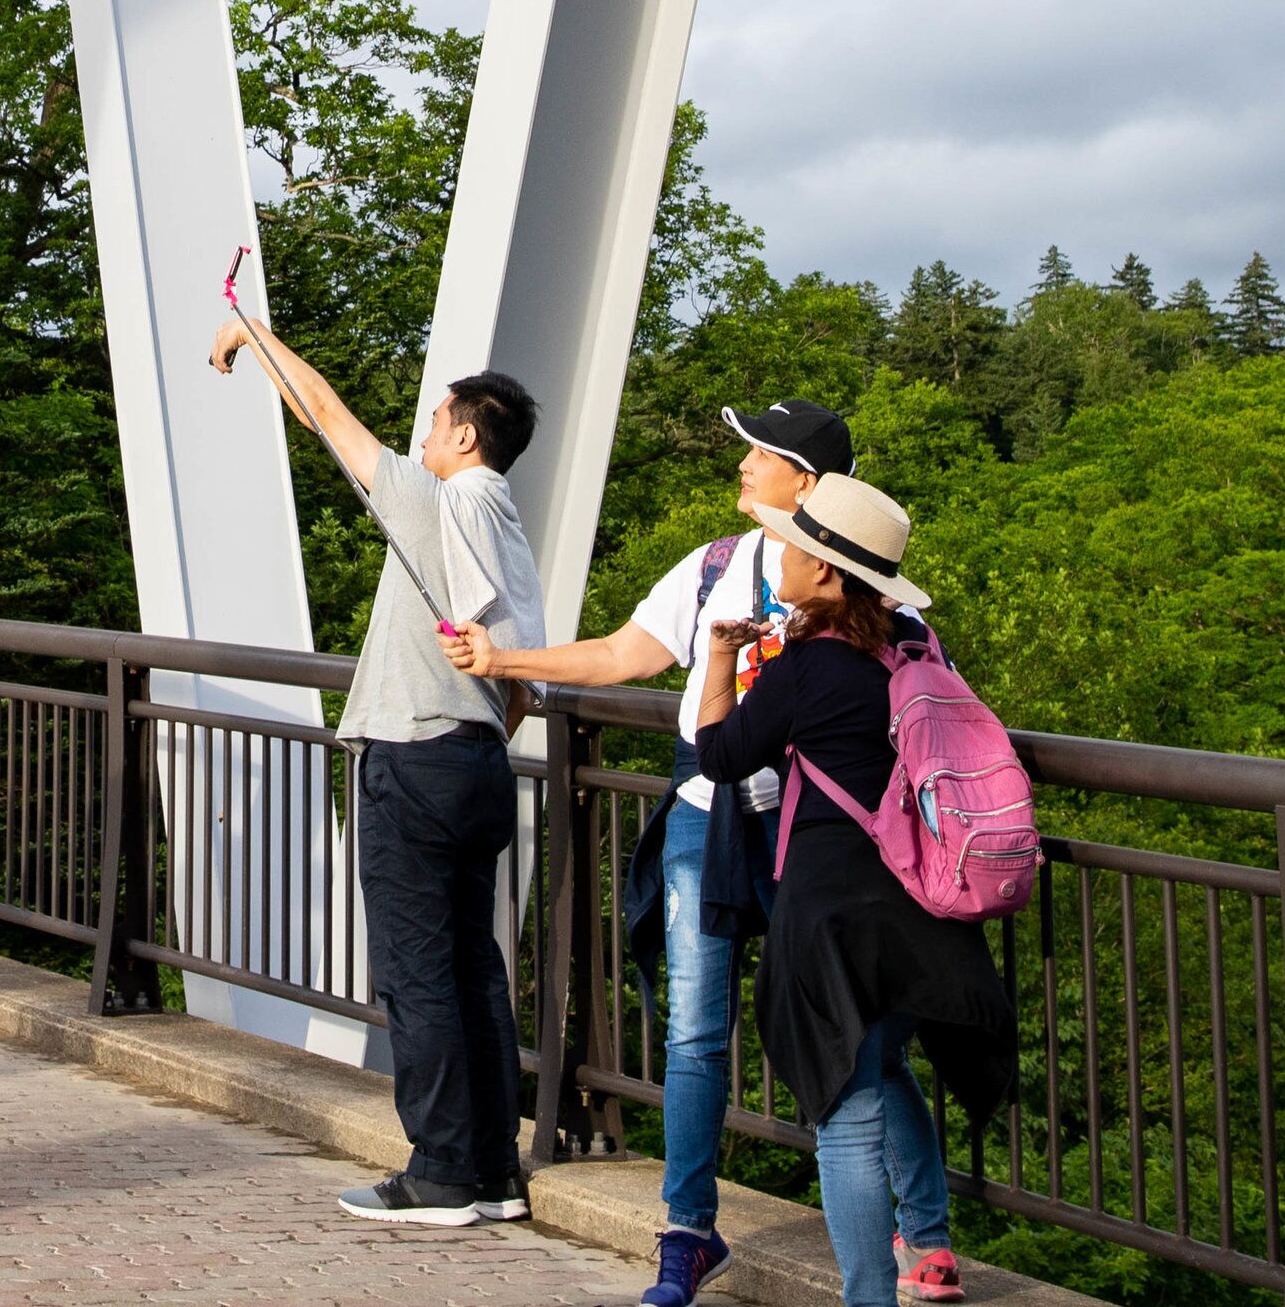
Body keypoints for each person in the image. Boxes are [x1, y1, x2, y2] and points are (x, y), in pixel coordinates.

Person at [448, 401, 963, 1303]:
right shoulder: (717, 567)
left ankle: (924, 1229)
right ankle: (688, 1231)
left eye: (758, 454)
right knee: (695, 1033)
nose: (741, 466)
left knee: (865, 1048)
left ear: (806, 485)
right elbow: (621, 655)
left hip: (816, 831)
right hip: (709, 812)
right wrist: (504, 663)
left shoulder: (849, 596)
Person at [210, 306, 546, 1228]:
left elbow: (323, 413)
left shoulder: (438, 501)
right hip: (479, 760)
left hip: (413, 758)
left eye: (436, 422)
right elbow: (521, 681)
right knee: (474, 967)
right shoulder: (509, 527)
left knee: (418, 971)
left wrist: (253, 335)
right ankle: (492, 1170)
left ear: (467, 435)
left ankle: (440, 1172)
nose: (423, 435)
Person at [688, 475, 1014, 1307]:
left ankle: (869, 1297)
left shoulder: (809, 668)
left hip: (832, 919)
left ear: (827, 576)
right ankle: (930, 1244)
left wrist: (723, 655)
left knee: (847, 1118)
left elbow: (721, 755)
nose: (783, 558)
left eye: (796, 549)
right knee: (879, 1061)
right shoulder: (912, 651)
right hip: (925, 913)